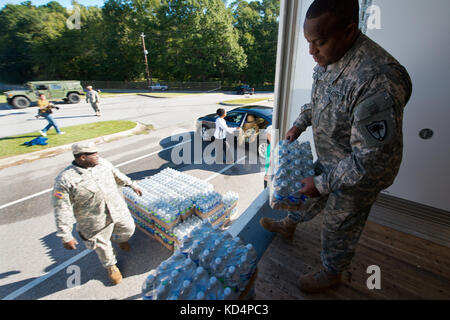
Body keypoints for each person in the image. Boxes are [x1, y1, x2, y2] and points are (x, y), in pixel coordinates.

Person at [260, 0, 412, 293]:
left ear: (349, 31)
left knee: (338, 225)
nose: (311, 51)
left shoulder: (378, 79)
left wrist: (322, 183)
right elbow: (320, 99)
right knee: (305, 194)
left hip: (361, 174)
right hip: (333, 155)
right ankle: (289, 225)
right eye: (308, 42)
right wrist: (301, 122)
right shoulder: (331, 56)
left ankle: (332, 272)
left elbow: (371, 161)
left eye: (318, 42)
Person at [52, 141, 143, 285]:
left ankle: (120, 239)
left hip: (117, 210)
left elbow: (117, 175)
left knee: (128, 229)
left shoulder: (103, 164)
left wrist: (132, 184)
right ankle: (111, 266)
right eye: (93, 154)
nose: (97, 156)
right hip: (94, 221)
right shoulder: (65, 180)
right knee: (102, 245)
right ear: (82, 157)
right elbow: (62, 208)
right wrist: (65, 235)